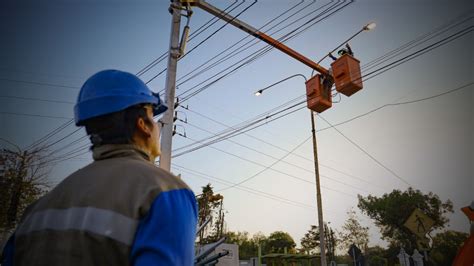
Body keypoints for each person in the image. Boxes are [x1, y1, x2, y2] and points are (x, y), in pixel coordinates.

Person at [1, 69, 198, 265]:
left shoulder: (37, 210)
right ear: (143, 125)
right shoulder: (166, 192)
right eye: (153, 118)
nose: (157, 127)